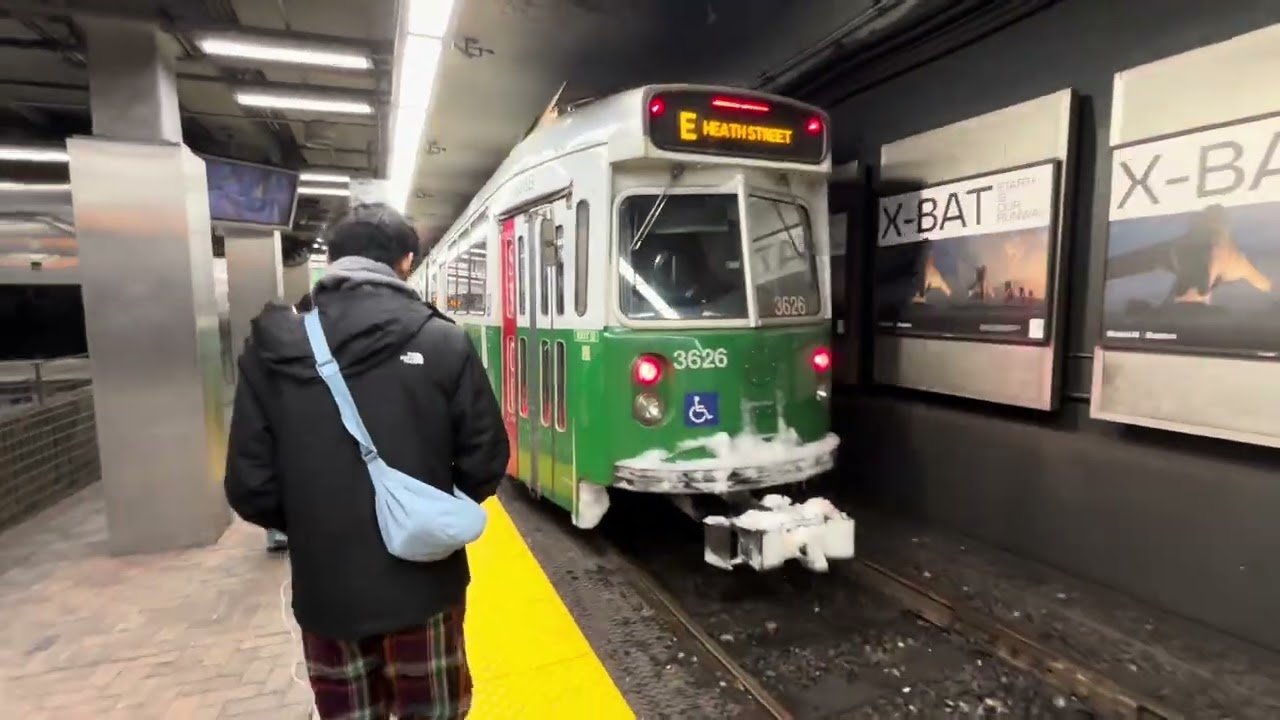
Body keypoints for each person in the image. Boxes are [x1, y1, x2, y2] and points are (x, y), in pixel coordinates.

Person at [224, 202, 508, 720]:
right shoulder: (443, 339)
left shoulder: (273, 346)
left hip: (328, 593)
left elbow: (249, 486)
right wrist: (427, 509)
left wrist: (313, 523)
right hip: (426, 583)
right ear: (406, 262)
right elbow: (486, 460)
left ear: (331, 260)